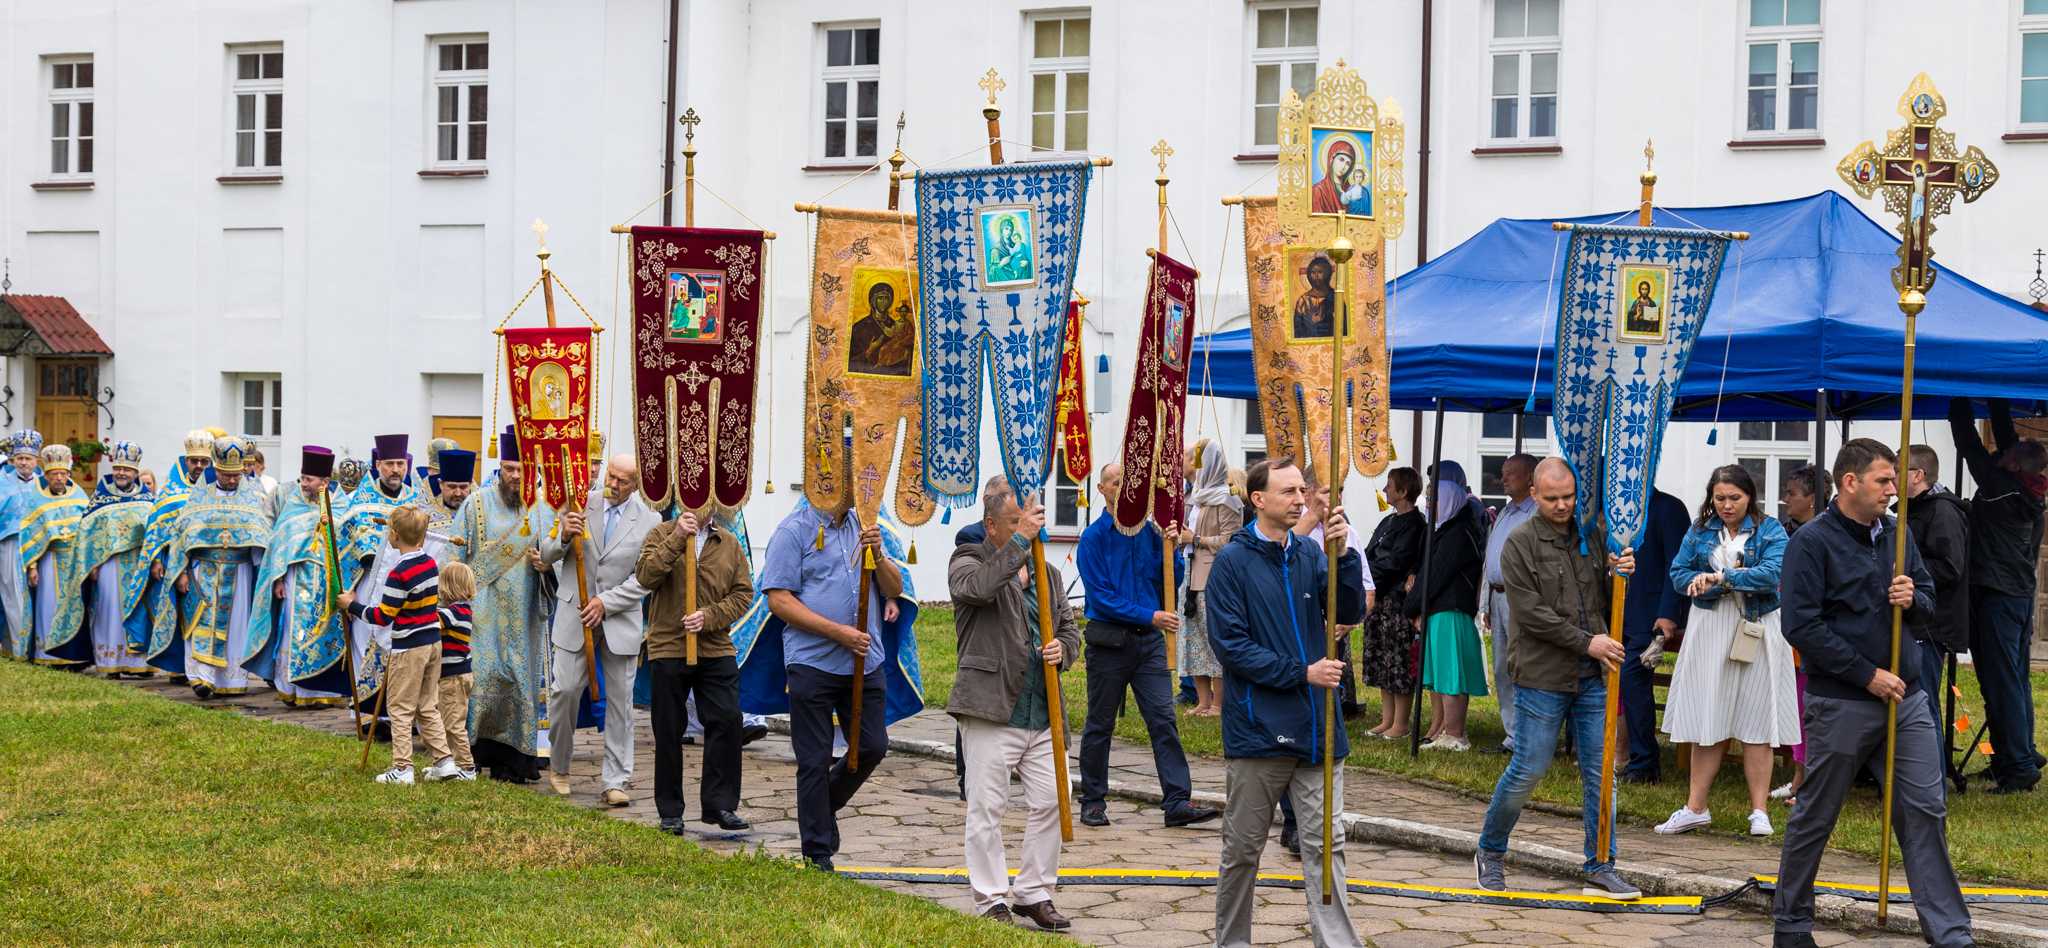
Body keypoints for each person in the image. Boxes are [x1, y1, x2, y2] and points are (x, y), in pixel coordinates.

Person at [1771, 439, 1967, 948]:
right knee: (1818, 811)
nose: (1894, 488)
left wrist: (1915, 600)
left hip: (1909, 697)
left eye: (1895, 479)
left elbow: (1927, 596)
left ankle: (1950, 934)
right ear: (1850, 482)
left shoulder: (1898, 535)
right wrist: (1866, 674)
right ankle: (1791, 927)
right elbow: (1801, 626)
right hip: (1842, 700)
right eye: (1884, 480)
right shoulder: (1810, 542)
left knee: (1926, 810)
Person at [1205, 456, 1367, 948]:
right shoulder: (1232, 562)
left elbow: (1350, 608)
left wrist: (1343, 556)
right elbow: (1230, 647)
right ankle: (1231, 943)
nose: (1302, 499)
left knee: (1327, 847)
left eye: (1303, 491)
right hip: (1259, 730)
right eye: (1291, 492)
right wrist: (1303, 673)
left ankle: (1336, 943)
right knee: (1243, 849)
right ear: (1259, 500)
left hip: (1318, 728)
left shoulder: (1310, 553)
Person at [1474, 457, 1641, 901]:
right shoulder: (1519, 542)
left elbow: (1606, 598)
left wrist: (1618, 573)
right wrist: (1589, 643)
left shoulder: (1592, 536)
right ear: (1534, 493)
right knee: (1528, 768)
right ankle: (1490, 850)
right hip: (1542, 675)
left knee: (1601, 774)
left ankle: (1601, 864)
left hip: (1593, 677)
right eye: (1552, 498)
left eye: (1568, 496)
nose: (1563, 505)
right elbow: (1531, 614)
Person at [948, 477, 1083, 930]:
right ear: (991, 525)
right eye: (1016, 522)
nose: (1030, 529)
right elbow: (978, 590)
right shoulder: (968, 558)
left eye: (1033, 521)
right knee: (987, 807)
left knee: (1052, 800)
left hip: (1043, 710)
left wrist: (1063, 650)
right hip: (990, 706)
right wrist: (1021, 542)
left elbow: (1069, 630)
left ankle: (1032, 891)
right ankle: (990, 898)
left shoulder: (1048, 571)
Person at [761, 491, 903, 872]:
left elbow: (894, 588)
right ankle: (817, 852)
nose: (860, 491)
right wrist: (837, 632)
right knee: (815, 757)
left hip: (864, 661)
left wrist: (881, 553)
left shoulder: (866, 526)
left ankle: (824, 805)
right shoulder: (794, 530)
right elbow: (779, 600)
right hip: (813, 662)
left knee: (873, 745)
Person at [1074, 461, 1218, 829]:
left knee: (1163, 720)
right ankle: (1092, 801)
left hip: (1150, 645)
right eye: (1115, 482)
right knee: (1100, 723)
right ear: (1103, 490)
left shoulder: (1150, 533)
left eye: (1129, 482)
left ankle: (1177, 802)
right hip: (1110, 644)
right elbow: (1101, 598)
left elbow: (1171, 579)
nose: (1123, 488)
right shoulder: (1093, 538)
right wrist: (1149, 616)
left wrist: (1171, 547)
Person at [1655, 465, 1797, 837]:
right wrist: (1712, 585)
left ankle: (1759, 811)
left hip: (1757, 627)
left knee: (1756, 720)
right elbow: (1679, 573)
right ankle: (1695, 807)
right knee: (1708, 717)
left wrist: (1721, 578)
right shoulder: (1700, 530)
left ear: (1750, 496)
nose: (1727, 505)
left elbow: (1772, 574)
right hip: (1711, 628)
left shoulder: (1771, 529)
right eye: (1720, 498)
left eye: (1735, 498)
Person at [539, 454, 657, 807]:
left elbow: (646, 578)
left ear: (636, 485)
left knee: (621, 701)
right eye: (611, 476)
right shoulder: (578, 503)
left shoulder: (649, 520)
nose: (613, 485)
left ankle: (614, 782)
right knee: (564, 692)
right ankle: (559, 767)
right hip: (575, 613)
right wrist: (562, 536)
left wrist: (607, 602)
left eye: (622, 481)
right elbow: (545, 554)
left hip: (618, 618)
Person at [637, 498, 755, 835]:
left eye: (710, 501)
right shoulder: (660, 533)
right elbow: (645, 577)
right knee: (669, 728)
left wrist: (711, 617)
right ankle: (671, 811)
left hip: (715, 647)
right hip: (669, 644)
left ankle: (719, 804)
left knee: (728, 719)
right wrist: (676, 537)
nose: (704, 508)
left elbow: (743, 594)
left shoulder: (729, 543)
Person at [1949, 397, 2047, 794]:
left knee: (2003, 680)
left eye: (2006, 455)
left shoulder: (2002, 488)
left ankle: (2019, 766)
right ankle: (2014, 754)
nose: (1999, 455)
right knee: (2012, 678)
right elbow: (2006, 440)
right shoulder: (2026, 487)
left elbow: (1968, 443)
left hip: (1999, 594)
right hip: (2015, 595)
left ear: (2016, 466)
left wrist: (1957, 394)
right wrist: (1995, 394)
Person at [455, 427, 554, 781]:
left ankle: (515, 761)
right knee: (483, 677)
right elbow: (454, 557)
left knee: (518, 679)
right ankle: (473, 754)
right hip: (480, 613)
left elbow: (559, 563)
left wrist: (548, 565)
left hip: (525, 614)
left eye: (523, 470)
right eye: (510, 468)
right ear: (499, 466)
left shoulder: (544, 511)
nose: (516, 476)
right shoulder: (475, 504)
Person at [342, 504, 458, 784]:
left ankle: (403, 768)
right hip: (432, 643)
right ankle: (444, 762)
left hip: (409, 647)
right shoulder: (430, 562)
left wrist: (352, 606)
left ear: (393, 535)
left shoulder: (399, 573)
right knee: (427, 705)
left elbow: (383, 616)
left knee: (400, 708)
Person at [159, 436, 274, 699]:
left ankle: (230, 680)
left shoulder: (253, 498)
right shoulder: (199, 497)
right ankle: (201, 678)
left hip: (240, 572)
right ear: (217, 470)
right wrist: (183, 571)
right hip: (203, 570)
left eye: (235, 475)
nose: (232, 480)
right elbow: (180, 535)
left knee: (235, 626)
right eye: (226, 475)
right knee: (200, 622)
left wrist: (265, 578)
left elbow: (261, 541)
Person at [246, 446, 354, 707]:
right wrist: (278, 580)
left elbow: (350, 549)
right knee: (294, 633)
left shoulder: (342, 507)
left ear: (325, 482)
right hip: (296, 580)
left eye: (308, 480)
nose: (303, 484)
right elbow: (277, 546)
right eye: (302, 478)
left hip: (331, 583)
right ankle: (294, 690)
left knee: (328, 633)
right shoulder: (292, 505)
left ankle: (323, 691)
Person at [1404, 467, 1486, 751]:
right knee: (1442, 673)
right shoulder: (1447, 530)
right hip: (1441, 609)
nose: (1428, 505)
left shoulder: (1457, 533)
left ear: (1450, 500)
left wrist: (1410, 608)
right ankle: (1447, 732)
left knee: (1451, 674)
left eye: (1433, 500)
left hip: (1449, 609)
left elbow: (1434, 576)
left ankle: (1455, 735)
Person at [1620, 489, 1691, 784]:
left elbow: (1679, 563)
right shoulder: (1616, 510)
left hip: (1651, 615)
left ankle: (1645, 762)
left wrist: (1669, 614)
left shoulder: (1668, 507)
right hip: (1619, 612)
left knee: (1632, 678)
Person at [1292, 467, 1374, 715]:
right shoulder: (1291, 526)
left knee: (1330, 703)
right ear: (1308, 494)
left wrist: (1347, 624)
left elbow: (1368, 589)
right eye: (1329, 491)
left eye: (1340, 490)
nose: (1337, 498)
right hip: (1297, 627)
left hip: (1334, 631)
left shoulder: (1349, 532)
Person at [72, 440, 154, 677]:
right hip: (107, 566)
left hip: (138, 566)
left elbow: (155, 533)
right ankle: (110, 663)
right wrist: (92, 565)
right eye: (117, 468)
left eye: (126, 469)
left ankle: (139, 664)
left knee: (138, 611)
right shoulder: (100, 499)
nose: (120, 473)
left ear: (135, 472)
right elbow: (87, 536)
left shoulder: (148, 500)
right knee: (108, 612)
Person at [1902, 444, 1970, 719]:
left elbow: (1950, 567)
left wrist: (1904, 569)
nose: (1891, 478)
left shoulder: (1942, 510)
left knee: (1923, 704)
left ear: (1917, 475)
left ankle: (1933, 764)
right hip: (1917, 620)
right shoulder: (1917, 508)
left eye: (1896, 471)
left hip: (1930, 624)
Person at [1361, 466, 1426, 740]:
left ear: (1403, 491)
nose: (1385, 490)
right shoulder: (1389, 520)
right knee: (1382, 659)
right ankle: (1387, 720)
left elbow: (1396, 562)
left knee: (1398, 662)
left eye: (1390, 486)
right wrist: (1358, 567)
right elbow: (1371, 551)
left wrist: (1367, 571)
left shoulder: (1414, 523)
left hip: (1397, 601)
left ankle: (1401, 723)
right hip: (1379, 596)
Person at [1478, 454, 1538, 754]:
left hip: (1520, 599)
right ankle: (1512, 736)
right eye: (1502, 473)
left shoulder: (1537, 513)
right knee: (1502, 668)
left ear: (1531, 478)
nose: (1502, 478)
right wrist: (1486, 602)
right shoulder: (1504, 512)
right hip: (1499, 598)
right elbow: (1492, 556)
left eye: (1510, 473)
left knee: (1522, 666)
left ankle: (1527, 737)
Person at [1178, 440, 1239, 717]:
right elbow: (1187, 536)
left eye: (1189, 457)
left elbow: (1231, 541)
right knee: (1193, 638)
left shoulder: (1227, 499)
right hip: (1190, 574)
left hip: (1214, 577)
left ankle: (1218, 704)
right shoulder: (1196, 496)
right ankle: (1203, 702)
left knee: (1213, 639)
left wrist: (1196, 539)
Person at [22, 444, 89, 668]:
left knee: (77, 608)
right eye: (54, 474)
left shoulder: (79, 496)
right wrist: (32, 567)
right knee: (48, 608)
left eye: (62, 473)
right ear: (47, 475)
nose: (58, 478)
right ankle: (49, 655)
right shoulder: (37, 499)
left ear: (68, 474)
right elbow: (29, 535)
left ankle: (75, 656)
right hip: (49, 562)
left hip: (75, 564)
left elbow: (89, 531)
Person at [436, 560, 479, 780]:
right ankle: (451, 763)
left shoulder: (455, 612)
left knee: (453, 724)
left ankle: (467, 767)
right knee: (446, 721)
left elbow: (432, 619)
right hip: (454, 675)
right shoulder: (461, 610)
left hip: (453, 677)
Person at [0, 431, 40, 662]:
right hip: (10, 544)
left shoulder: (44, 484)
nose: (24, 462)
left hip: (40, 547)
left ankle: (37, 647)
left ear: (36, 461)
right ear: (13, 459)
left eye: (28, 458)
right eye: (19, 458)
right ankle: (19, 650)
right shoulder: (2, 481)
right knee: (14, 595)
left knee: (38, 597)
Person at [1292, 256, 1338, 339]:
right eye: (1313, 272)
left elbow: (1344, 325)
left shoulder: (1335, 297)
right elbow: (1297, 327)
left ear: (1327, 274)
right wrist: (1312, 322)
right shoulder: (1303, 300)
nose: (1316, 275)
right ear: (1309, 276)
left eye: (1320, 272)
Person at [1781, 465, 1828, 537]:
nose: (1785, 500)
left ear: (1813, 498)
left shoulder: (1833, 535)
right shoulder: (1778, 534)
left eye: (1791, 494)